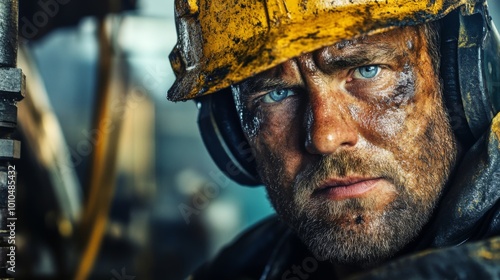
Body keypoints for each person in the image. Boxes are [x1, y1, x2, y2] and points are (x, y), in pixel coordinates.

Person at [168, 0, 500, 278]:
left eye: (367, 70)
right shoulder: (246, 267)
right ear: (229, 127)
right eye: (277, 94)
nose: (325, 137)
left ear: (463, 81)